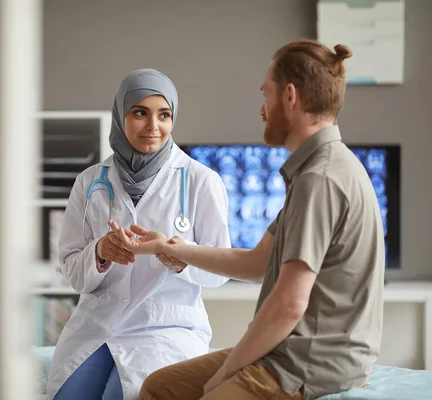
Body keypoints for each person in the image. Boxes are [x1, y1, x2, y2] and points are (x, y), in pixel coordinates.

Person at [111, 40, 386, 400]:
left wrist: (226, 373)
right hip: (294, 351)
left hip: (309, 362)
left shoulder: (320, 179)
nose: (262, 109)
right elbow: (258, 263)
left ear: (289, 97)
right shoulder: (322, 168)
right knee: (159, 387)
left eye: (265, 95)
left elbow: (289, 305)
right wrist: (169, 247)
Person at [46, 68, 231, 400]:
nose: (153, 126)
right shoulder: (89, 182)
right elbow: (73, 274)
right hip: (97, 325)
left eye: (164, 115)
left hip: (164, 328)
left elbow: (221, 271)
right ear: (121, 116)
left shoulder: (201, 181)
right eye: (140, 113)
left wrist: (181, 257)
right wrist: (100, 253)